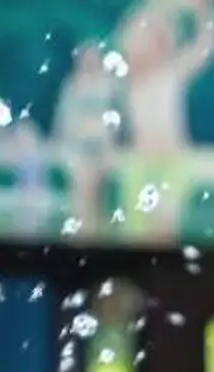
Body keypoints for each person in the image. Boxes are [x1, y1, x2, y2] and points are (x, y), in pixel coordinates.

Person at [112, 0, 214, 240]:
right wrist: (159, 7)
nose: (153, 43)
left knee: (164, 233)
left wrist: (205, 11)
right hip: (140, 165)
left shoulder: (173, 71)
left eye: (158, 38)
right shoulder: (132, 76)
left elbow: (208, 43)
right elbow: (126, 32)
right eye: (148, 37)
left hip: (173, 164)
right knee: (135, 236)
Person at [53, 42, 127, 236]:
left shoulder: (108, 84)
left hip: (101, 147)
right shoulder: (73, 84)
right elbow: (63, 118)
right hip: (79, 148)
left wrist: (114, 144)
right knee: (80, 201)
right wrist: (63, 146)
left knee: (99, 203)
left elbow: (121, 114)